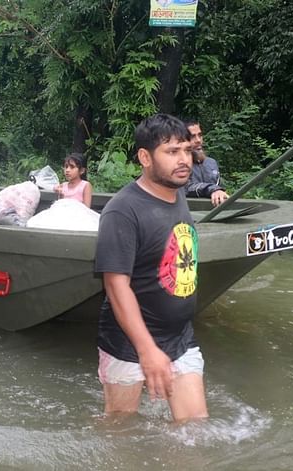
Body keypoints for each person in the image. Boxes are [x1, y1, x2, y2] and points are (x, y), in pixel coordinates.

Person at [95, 113, 207, 422]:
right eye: (172, 152)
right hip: (129, 344)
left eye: (186, 149)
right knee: (120, 431)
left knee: (194, 433)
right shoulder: (123, 210)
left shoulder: (178, 194)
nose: (184, 159)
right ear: (145, 157)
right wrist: (146, 350)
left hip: (180, 337)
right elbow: (116, 286)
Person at [184, 119, 229, 207]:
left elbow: (220, 189)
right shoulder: (178, 164)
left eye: (200, 135)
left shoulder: (211, 163)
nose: (198, 140)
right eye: (192, 137)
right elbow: (186, 188)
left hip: (215, 213)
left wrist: (219, 192)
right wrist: (213, 189)